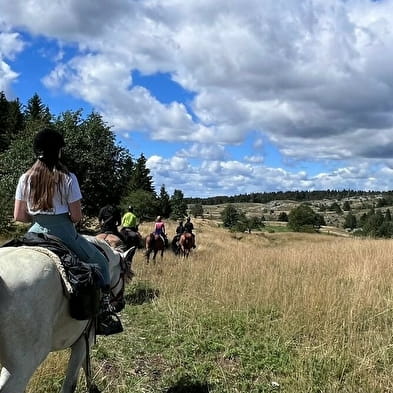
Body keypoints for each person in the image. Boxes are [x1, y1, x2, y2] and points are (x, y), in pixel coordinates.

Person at [13, 128, 122, 336]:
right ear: (59, 152)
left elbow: (19, 215)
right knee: (100, 262)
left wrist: (37, 216)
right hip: (63, 231)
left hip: (34, 231)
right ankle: (104, 313)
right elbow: (76, 216)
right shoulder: (68, 178)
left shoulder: (25, 178)